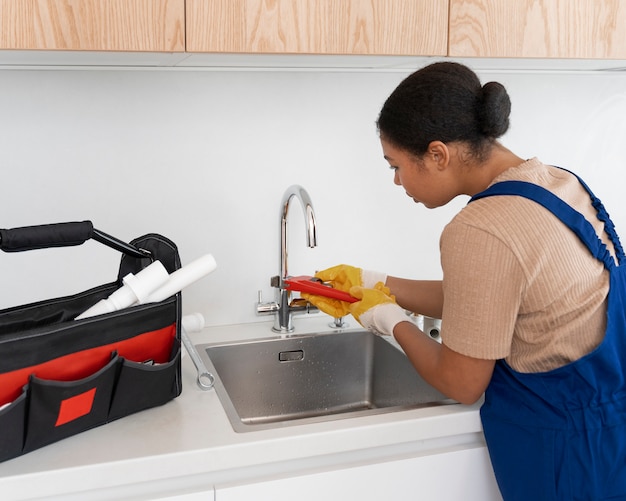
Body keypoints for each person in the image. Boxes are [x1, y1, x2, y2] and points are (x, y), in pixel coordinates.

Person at [301, 62, 626, 500]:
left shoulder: (480, 227)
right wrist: (378, 283)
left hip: (563, 449)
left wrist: (387, 320)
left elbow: (461, 381)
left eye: (395, 165)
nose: (397, 181)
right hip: (609, 429)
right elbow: (493, 299)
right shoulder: (558, 183)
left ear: (438, 154)